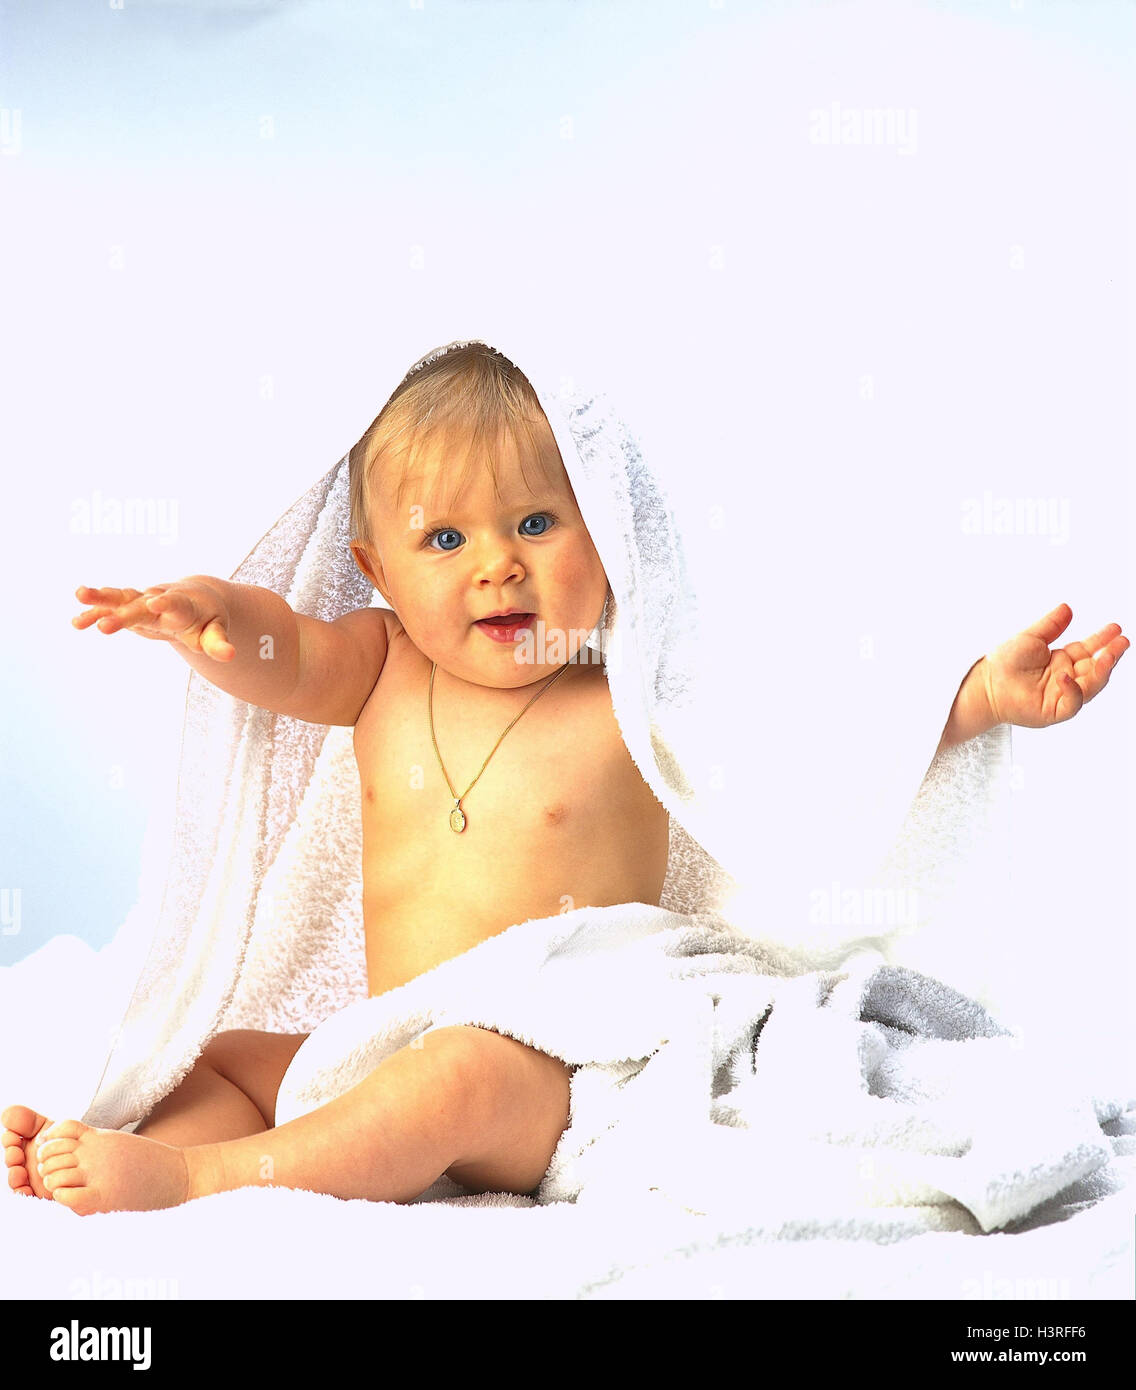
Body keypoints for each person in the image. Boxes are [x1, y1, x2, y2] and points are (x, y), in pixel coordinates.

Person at [2, 343, 1128, 1215]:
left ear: (612, 538)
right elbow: (282, 651)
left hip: (561, 1058)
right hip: (385, 1034)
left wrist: (975, 694)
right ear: (373, 569)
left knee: (453, 1081)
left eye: (537, 522)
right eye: (442, 540)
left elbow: (816, 757)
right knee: (229, 1058)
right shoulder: (379, 664)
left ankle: (211, 1185)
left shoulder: (630, 700)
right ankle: (155, 1148)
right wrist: (215, 614)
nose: (496, 561)